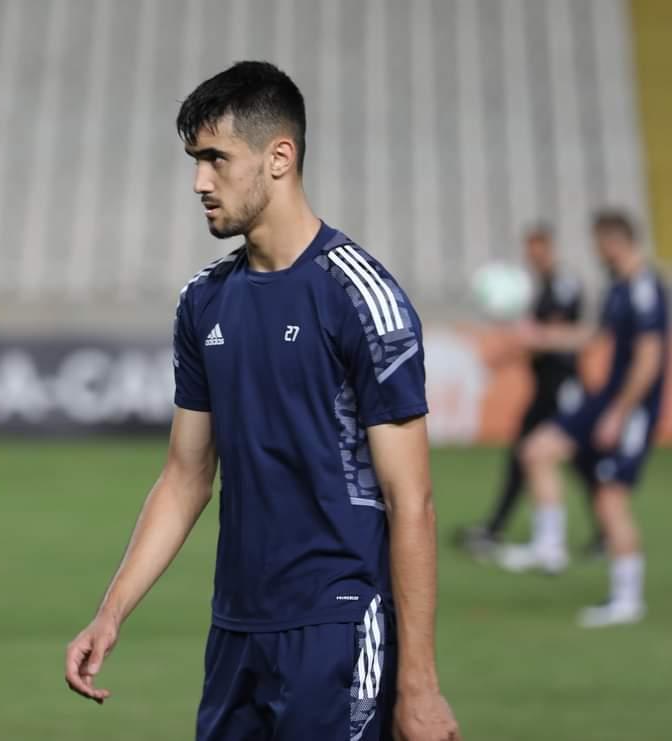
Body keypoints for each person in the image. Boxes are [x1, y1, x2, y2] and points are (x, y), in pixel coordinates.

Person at [64, 61, 459, 740]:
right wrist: (111, 611)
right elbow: (185, 477)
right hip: (236, 630)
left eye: (216, 159)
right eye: (195, 161)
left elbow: (411, 501)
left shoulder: (360, 298)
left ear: (280, 157)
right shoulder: (203, 301)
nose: (199, 182)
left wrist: (419, 685)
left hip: (337, 626)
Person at [498, 210, 668, 627]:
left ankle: (627, 600)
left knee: (610, 497)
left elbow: (649, 360)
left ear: (613, 241)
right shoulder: (619, 287)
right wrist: (544, 336)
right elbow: (594, 335)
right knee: (537, 450)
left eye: (597, 243)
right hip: (605, 397)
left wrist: (619, 413)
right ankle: (549, 547)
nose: (595, 252)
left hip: (630, 407)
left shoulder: (645, 287)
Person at [455, 227, 602, 559]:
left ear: (550, 248)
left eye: (538, 250)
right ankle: (497, 527)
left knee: (572, 459)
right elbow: (536, 340)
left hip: (563, 387)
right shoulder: (544, 289)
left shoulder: (564, 286)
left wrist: (514, 345)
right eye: (530, 251)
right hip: (544, 388)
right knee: (524, 454)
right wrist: (508, 354)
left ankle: (594, 533)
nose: (534, 256)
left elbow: (556, 336)